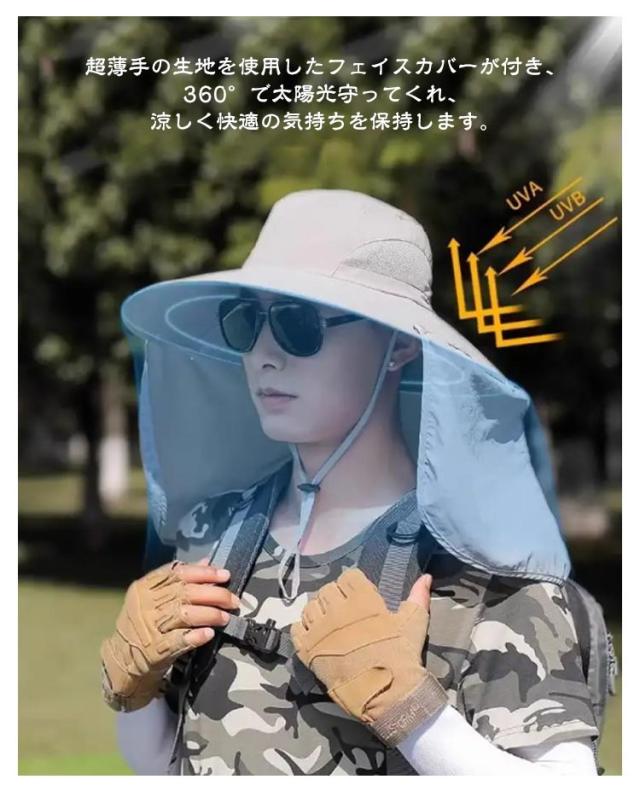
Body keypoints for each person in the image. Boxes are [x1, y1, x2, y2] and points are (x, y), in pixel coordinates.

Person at [101, 189, 601, 775]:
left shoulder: (485, 566)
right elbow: (164, 763)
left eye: (297, 324)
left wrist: (414, 715)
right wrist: (134, 692)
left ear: (399, 345)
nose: (263, 355)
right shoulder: (215, 535)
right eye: (247, 322)